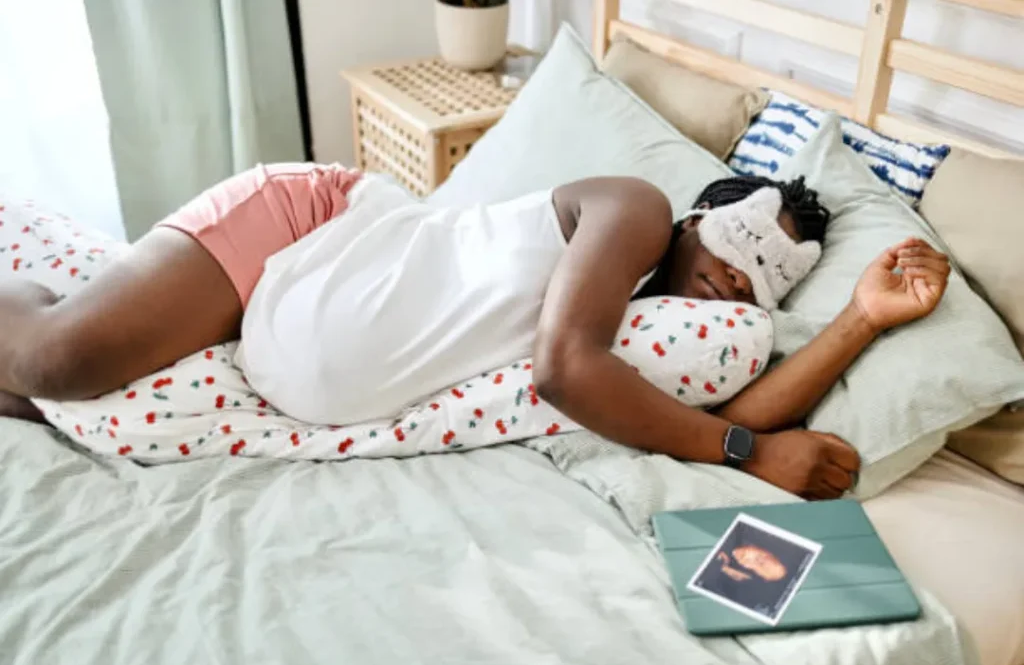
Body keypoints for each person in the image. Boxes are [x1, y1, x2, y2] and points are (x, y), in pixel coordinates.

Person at [0, 164, 951, 500]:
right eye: (744, 236)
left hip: (294, 314)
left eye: (771, 277)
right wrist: (750, 453)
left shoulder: (667, 332)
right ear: (701, 214)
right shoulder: (634, 208)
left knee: (32, 399)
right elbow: (566, 370)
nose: (745, 274)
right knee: (59, 357)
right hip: (308, 229)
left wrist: (861, 318)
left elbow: (728, 412)